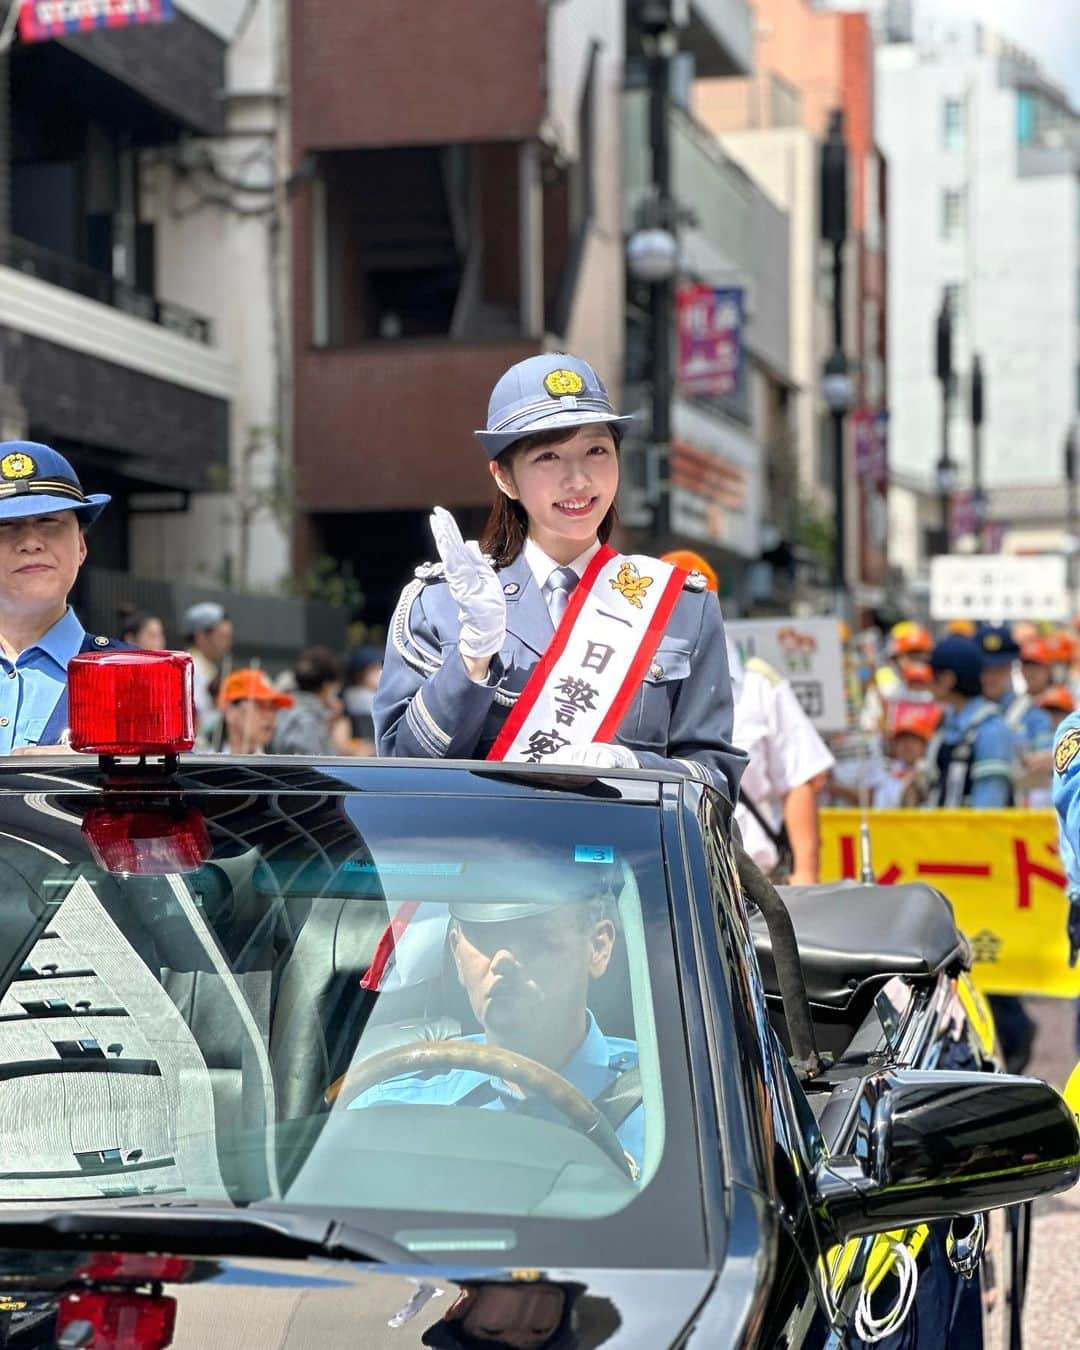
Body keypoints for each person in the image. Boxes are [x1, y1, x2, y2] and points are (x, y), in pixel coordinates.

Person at [375, 353, 747, 799]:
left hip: (628, 864)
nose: (578, 479)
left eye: (596, 451)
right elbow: (398, 776)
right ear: (505, 478)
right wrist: (472, 660)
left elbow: (716, 779)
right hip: (484, 862)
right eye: (548, 456)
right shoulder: (441, 603)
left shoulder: (681, 606)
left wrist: (635, 768)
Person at [348, 893, 643, 1174]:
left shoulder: (670, 1111)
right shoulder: (389, 1109)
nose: (502, 959)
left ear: (598, 948)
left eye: (535, 936)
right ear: (457, 955)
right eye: (484, 938)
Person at [929, 635, 1032, 1070]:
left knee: (991, 960)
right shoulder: (946, 725)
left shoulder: (992, 730)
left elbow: (990, 809)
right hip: (946, 858)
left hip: (977, 865)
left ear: (949, 678)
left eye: (934, 675)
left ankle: (1016, 1038)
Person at [0, 440, 127, 752]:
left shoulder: (130, 679)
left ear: (81, 547)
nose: (30, 543)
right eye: (5, 526)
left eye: (48, 521)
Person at [269, 646, 345, 756]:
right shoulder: (306, 720)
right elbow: (314, 767)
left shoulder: (287, 707)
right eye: (336, 687)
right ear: (327, 686)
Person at [212, 668, 293, 755]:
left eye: (274, 708)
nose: (271, 715)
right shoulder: (201, 764)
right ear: (229, 710)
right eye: (260, 706)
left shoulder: (281, 766)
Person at [184, 601, 233, 730]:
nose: (227, 643)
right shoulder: (189, 668)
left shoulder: (207, 667)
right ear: (200, 636)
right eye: (222, 637)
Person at [344, 644, 383, 749]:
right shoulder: (354, 695)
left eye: (382, 667)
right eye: (375, 668)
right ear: (359, 673)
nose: (381, 672)